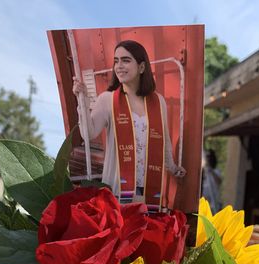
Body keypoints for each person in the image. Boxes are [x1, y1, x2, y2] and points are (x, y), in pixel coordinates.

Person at [73, 40, 186, 210]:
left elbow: (164, 140)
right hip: (118, 187)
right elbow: (88, 134)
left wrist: (173, 167)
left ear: (141, 67)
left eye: (126, 60)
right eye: (116, 61)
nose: (119, 66)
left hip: (148, 186)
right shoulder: (107, 99)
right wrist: (82, 100)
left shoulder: (158, 102)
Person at [201, 148, 222, 214]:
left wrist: (211, 171)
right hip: (204, 198)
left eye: (209, 157)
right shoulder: (204, 170)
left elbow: (219, 181)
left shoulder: (216, 170)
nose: (208, 159)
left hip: (213, 201)